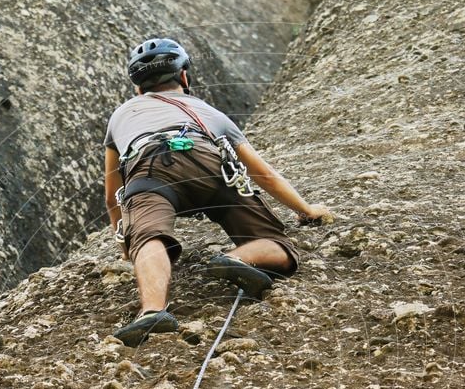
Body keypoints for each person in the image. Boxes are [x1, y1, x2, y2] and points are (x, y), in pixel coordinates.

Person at [104, 38, 332, 346]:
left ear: (137, 88)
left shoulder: (120, 115)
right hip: (209, 166)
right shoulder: (209, 111)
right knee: (280, 246)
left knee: (150, 237)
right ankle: (235, 258)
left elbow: (112, 193)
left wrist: (128, 241)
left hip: (150, 170)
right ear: (184, 77)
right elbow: (262, 173)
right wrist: (305, 209)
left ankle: (152, 311)